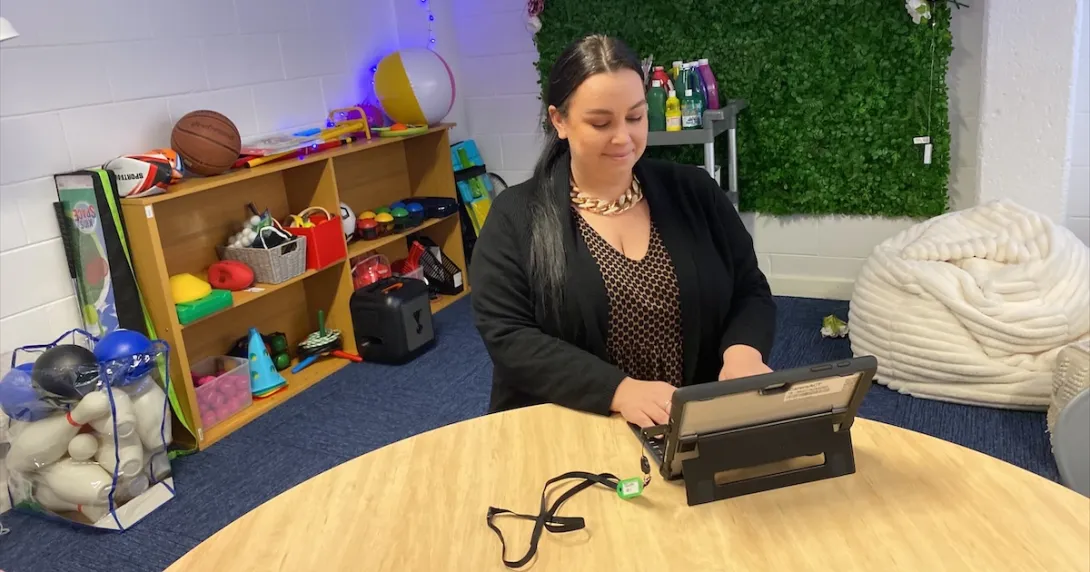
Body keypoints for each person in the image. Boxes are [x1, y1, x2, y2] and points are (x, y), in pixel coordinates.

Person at [469, 34, 777, 428]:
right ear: (559, 121)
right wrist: (618, 390)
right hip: (573, 422)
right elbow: (508, 335)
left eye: (635, 117)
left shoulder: (695, 192)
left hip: (690, 423)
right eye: (600, 122)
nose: (623, 138)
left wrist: (742, 354)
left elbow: (749, 288)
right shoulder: (516, 217)